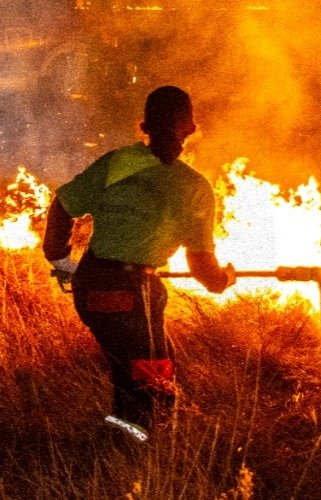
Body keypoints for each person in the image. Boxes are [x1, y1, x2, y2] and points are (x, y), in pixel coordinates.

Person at [42, 85, 236, 443]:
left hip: (92, 285)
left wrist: (59, 258)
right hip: (133, 292)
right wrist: (223, 280)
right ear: (191, 129)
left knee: (153, 364)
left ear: (143, 126)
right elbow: (202, 268)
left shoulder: (116, 163)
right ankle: (125, 449)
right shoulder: (194, 187)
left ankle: (138, 437)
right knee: (149, 380)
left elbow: (63, 205)